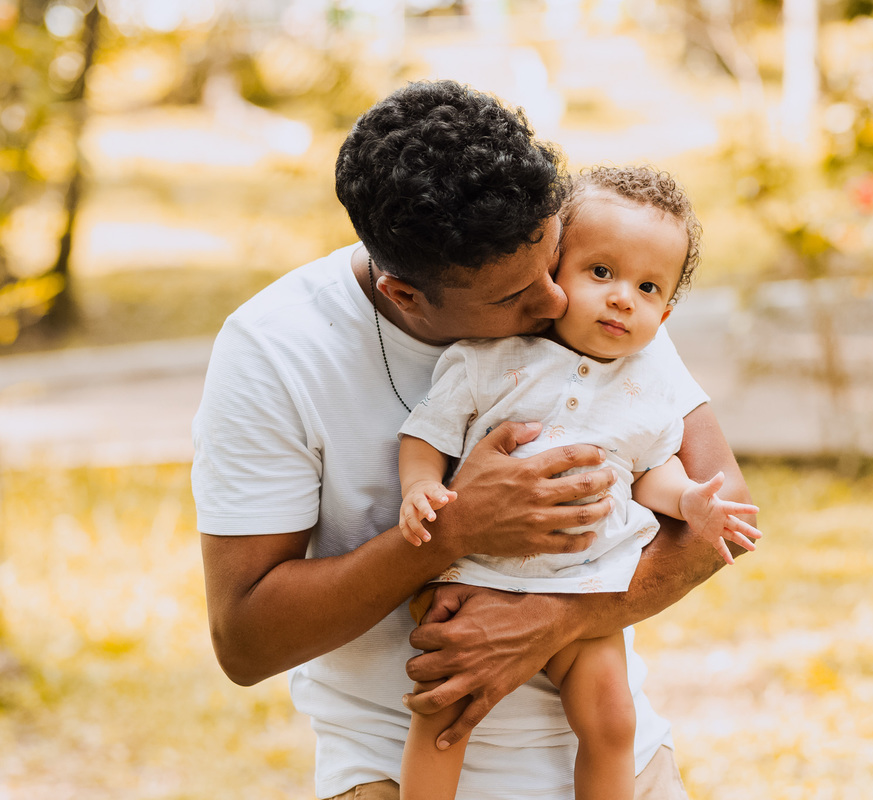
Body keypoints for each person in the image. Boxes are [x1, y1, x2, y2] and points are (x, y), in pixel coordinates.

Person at [192, 80, 756, 800]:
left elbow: (723, 506)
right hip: (393, 765)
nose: (554, 303)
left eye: (553, 264)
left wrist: (555, 619)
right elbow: (245, 641)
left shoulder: (602, 300)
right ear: (405, 295)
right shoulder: (276, 352)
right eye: (515, 296)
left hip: (611, 752)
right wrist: (455, 528)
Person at [394, 166, 763, 800]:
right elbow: (427, 432)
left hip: (586, 583)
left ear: (666, 311)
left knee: (613, 722)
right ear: (552, 275)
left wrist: (690, 502)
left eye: (648, 287)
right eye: (601, 273)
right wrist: (420, 486)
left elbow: (651, 474)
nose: (623, 297)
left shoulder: (649, 385)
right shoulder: (490, 359)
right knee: (444, 712)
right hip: (479, 571)